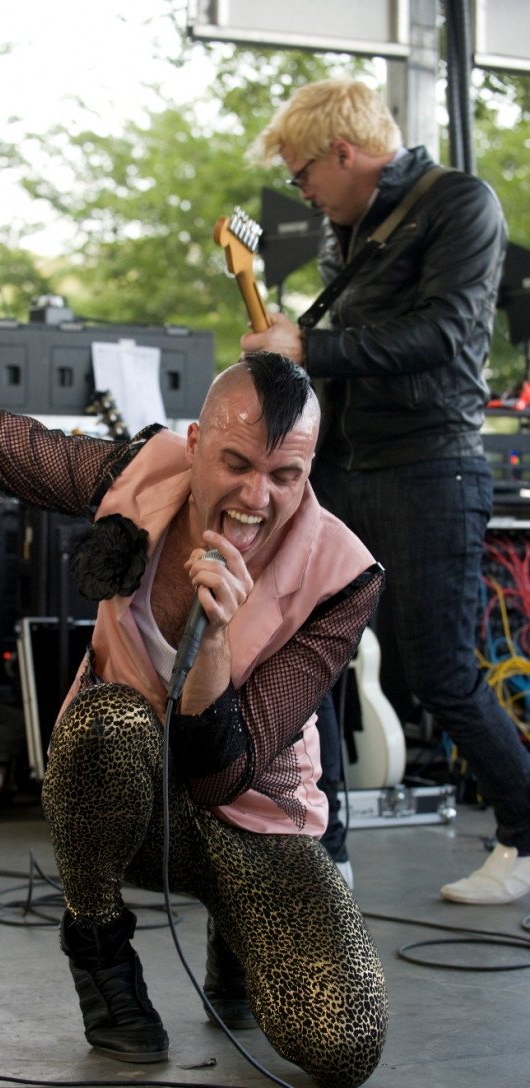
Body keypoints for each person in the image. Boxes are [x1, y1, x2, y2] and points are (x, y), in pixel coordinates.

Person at [0, 261, 388, 1088]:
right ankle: (100, 950)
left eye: (285, 475)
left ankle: (237, 931)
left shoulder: (345, 577)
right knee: (104, 722)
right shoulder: (139, 473)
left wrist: (217, 642)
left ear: (310, 468)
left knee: (344, 1043)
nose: (258, 497)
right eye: (236, 464)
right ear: (197, 444)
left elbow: (219, 774)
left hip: (254, 818)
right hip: (130, 803)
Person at [240, 76, 530, 906]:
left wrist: (310, 350)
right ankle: (324, 852)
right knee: (308, 663)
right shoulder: (350, 228)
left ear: (343, 152)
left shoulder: (460, 203)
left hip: (428, 464)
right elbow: (349, 343)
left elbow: (444, 332)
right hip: (346, 465)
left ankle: (524, 835)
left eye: (302, 173)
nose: (298, 190)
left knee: (441, 674)